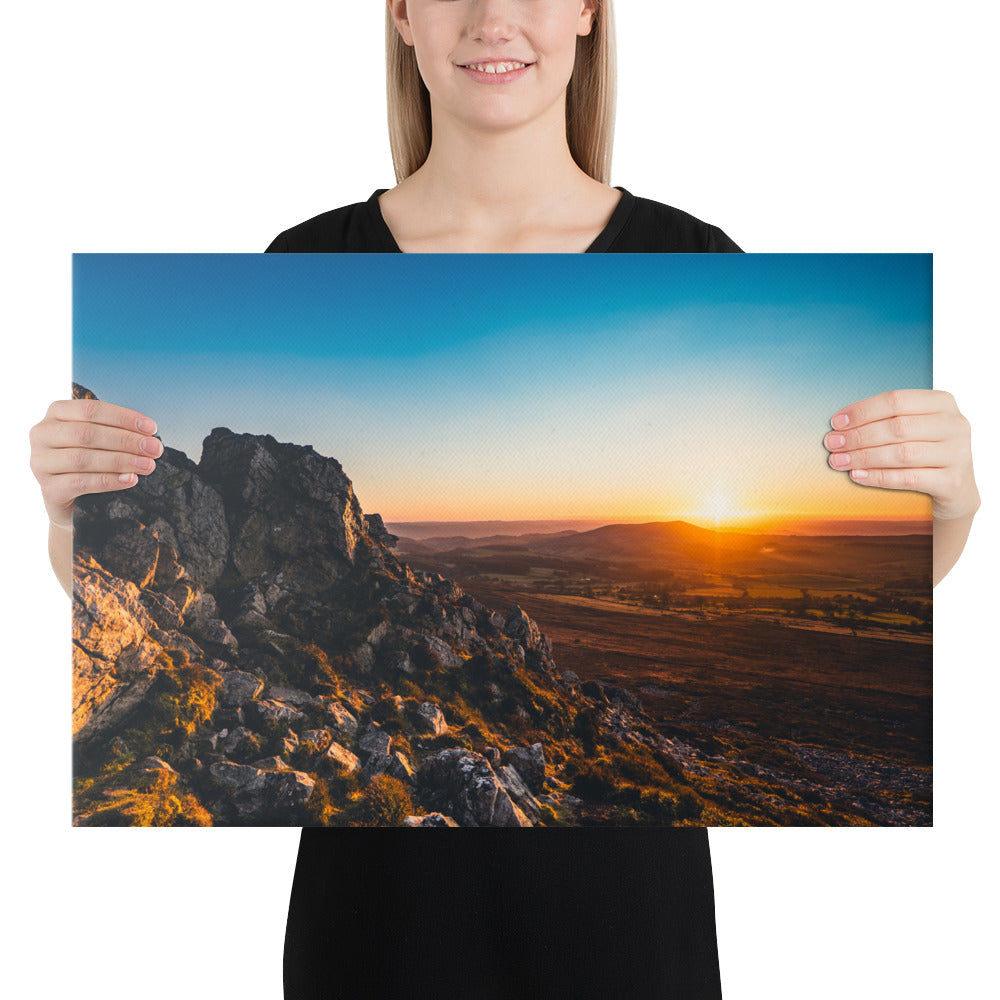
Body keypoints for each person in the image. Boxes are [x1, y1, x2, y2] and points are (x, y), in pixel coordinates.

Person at [28, 1, 979, 998]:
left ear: (586, 12)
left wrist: (949, 507)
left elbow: (927, 599)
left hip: (628, 941)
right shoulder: (306, 251)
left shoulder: (694, 255)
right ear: (400, 14)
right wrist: (69, 514)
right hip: (373, 940)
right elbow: (126, 604)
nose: (492, 16)